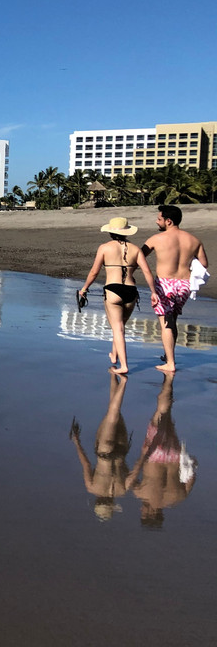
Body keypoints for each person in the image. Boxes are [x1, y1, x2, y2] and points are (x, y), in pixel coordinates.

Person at [79, 217, 155, 374]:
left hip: (113, 290)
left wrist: (85, 288)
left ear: (110, 232)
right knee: (119, 326)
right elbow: (147, 272)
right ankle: (114, 355)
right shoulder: (136, 249)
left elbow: (94, 271)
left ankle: (124, 366)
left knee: (118, 328)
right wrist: (154, 292)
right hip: (131, 291)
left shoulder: (105, 247)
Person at [141, 205, 209, 372]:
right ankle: (168, 355)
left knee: (165, 323)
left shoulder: (156, 239)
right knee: (172, 321)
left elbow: (139, 257)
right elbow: (204, 264)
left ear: (168, 221)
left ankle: (170, 363)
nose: (157, 222)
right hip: (184, 285)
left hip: (165, 284)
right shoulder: (194, 240)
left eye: (159, 219)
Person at [126, 372, 196, 528]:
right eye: (143, 512)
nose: (140, 509)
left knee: (168, 420)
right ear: (152, 513)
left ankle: (168, 386)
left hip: (175, 456)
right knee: (160, 413)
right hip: (154, 453)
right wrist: (142, 456)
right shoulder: (141, 494)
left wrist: (189, 461)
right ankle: (169, 377)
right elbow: (130, 479)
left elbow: (191, 477)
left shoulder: (177, 498)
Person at [69, 371, 132, 521]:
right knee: (112, 414)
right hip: (103, 452)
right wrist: (77, 443)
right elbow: (86, 464)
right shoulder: (91, 488)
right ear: (97, 502)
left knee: (114, 412)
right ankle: (123, 382)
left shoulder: (121, 491)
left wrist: (144, 453)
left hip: (121, 452)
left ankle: (113, 376)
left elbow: (133, 472)